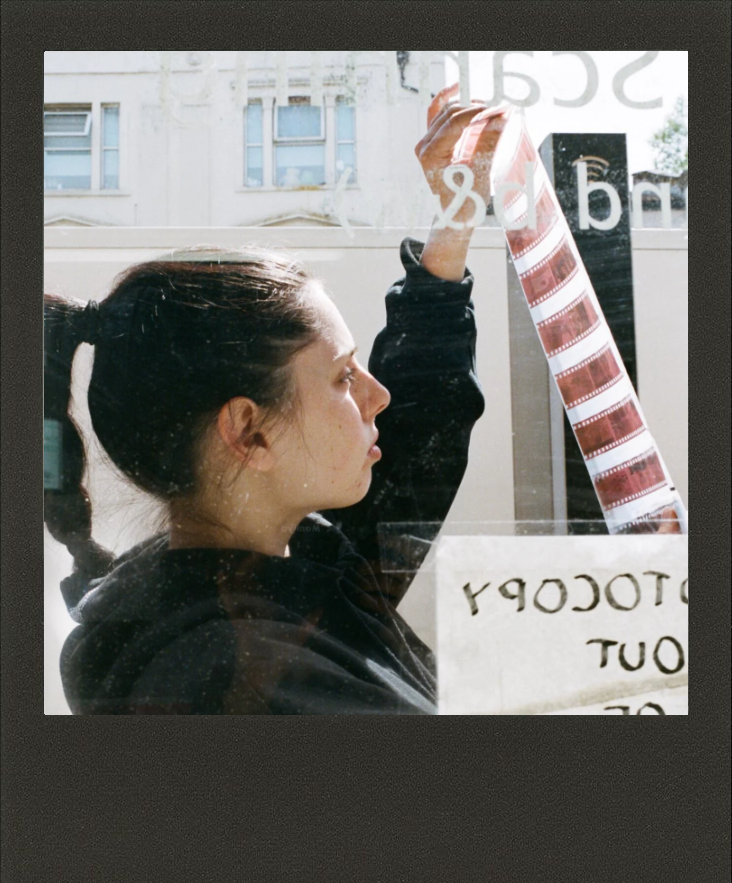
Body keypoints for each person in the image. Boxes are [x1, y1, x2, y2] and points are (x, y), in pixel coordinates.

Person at [44, 100, 507, 714]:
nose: (379, 396)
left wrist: (454, 223)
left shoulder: (269, 570)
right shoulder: (239, 677)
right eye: (344, 377)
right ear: (248, 431)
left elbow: (417, 439)